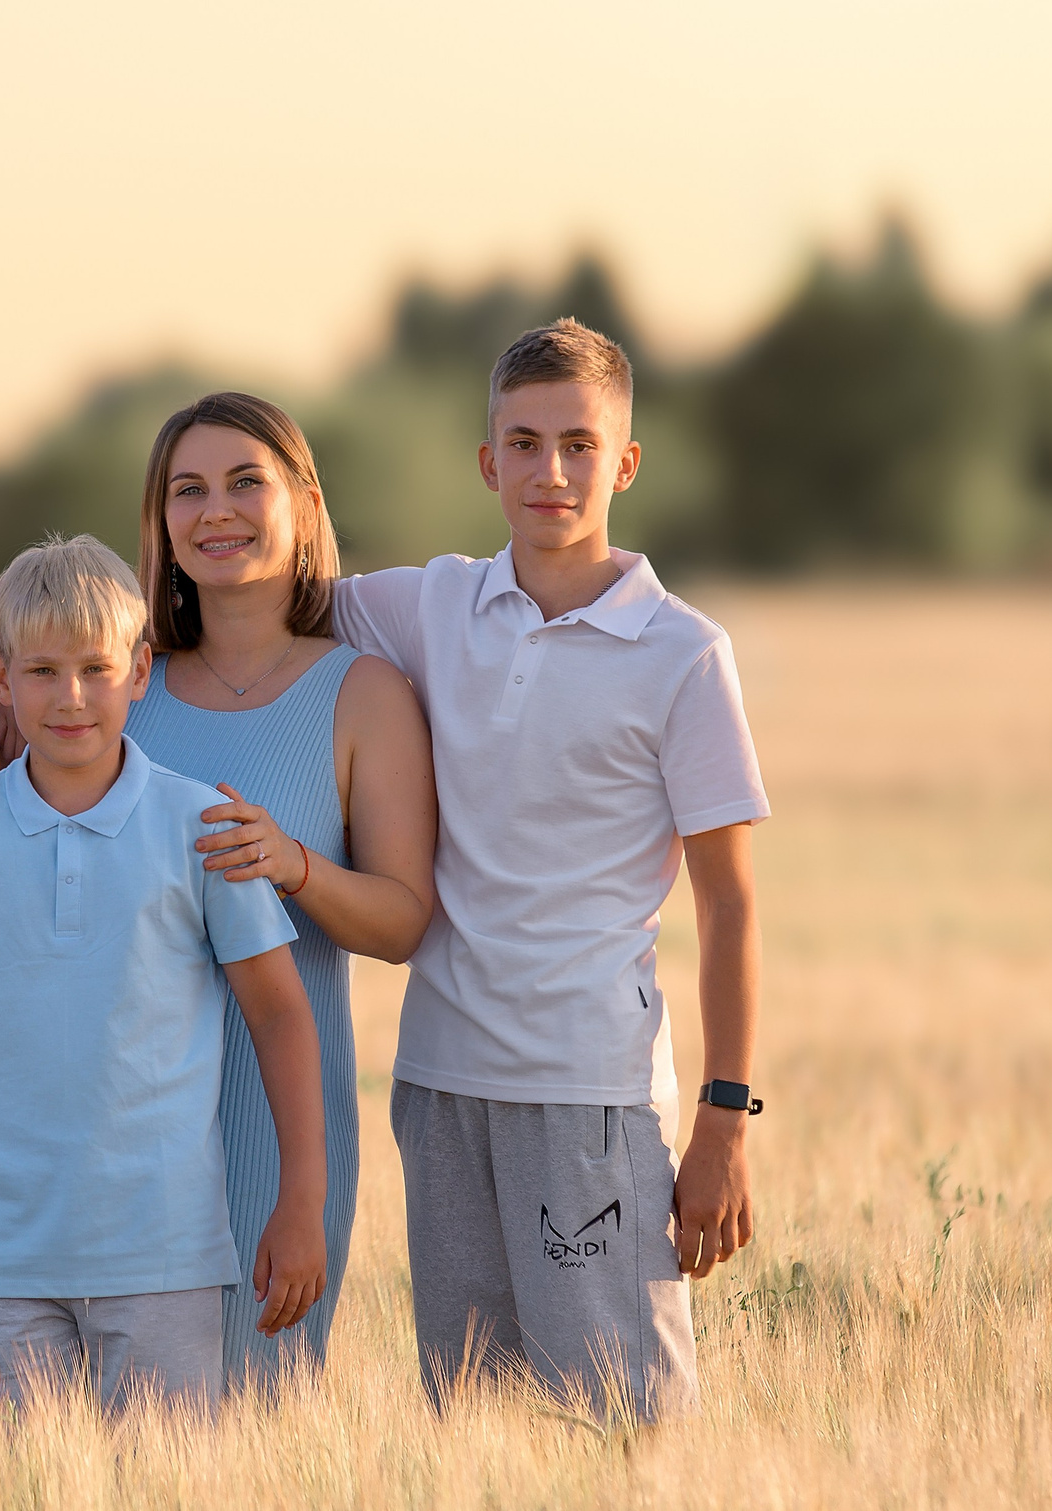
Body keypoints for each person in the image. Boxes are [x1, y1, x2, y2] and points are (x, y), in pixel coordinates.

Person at [332, 319, 770, 1423]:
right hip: (436, 1086)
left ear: (624, 462)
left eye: (578, 443)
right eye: (522, 443)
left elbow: (729, 903)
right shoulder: (424, 605)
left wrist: (722, 1114)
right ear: (487, 464)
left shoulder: (683, 652)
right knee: (472, 1422)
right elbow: (256, 601)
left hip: (588, 1089)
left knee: (620, 1420)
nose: (550, 470)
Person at [0, 536, 329, 1410]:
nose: (69, 697)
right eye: (40, 671)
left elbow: (279, 1016)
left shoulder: (201, 823)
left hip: (164, 1250)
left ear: (140, 670)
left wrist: (303, 1198)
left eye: (94, 668)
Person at [120, 391, 437, 1384]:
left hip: (279, 1123)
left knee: (253, 1423)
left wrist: (291, 862)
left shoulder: (364, 692)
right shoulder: (117, 686)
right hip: (115, 1120)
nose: (216, 510)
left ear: (302, 500)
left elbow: (401, 921)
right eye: (188, 489)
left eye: (245, 481)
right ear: (162, 524)